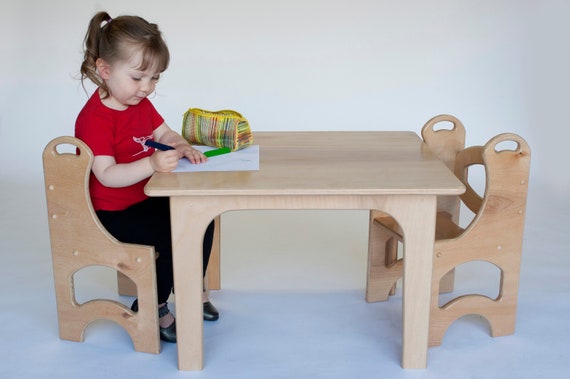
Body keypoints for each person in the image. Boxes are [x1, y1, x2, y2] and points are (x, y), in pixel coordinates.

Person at [75, 11, 219, 343]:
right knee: (172, 231)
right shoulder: (95, 118)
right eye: (139, 77)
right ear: (105, 70)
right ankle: (153, 306)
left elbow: (164, 132)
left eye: (154, 78)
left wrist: (182, 146)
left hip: (146, 198)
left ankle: (191, 288)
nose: (147, 88)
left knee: (202, 217)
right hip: (114, 212)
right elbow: (107, 175)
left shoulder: (138, 103)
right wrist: (152, 165)